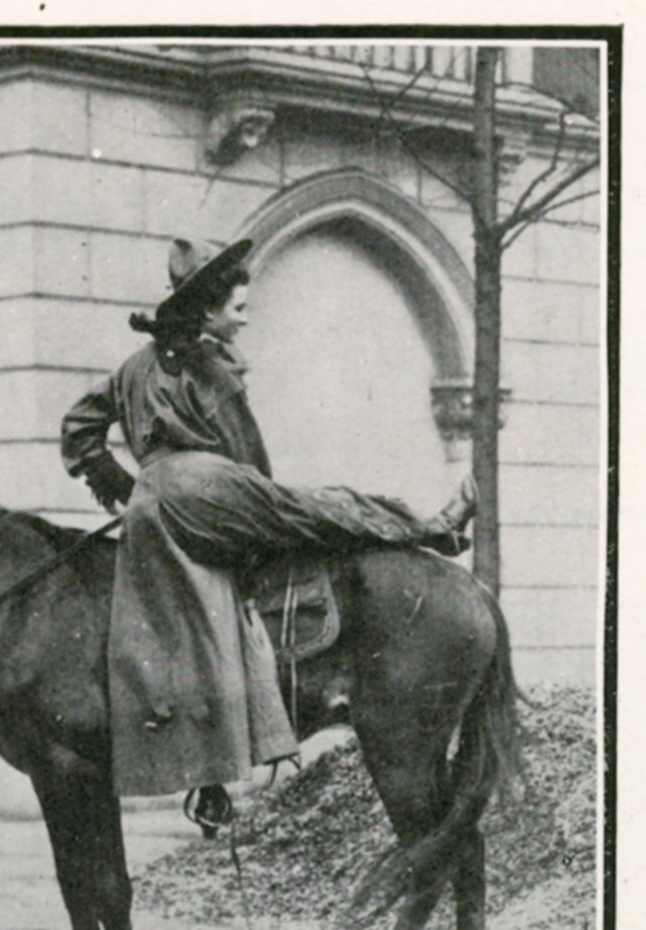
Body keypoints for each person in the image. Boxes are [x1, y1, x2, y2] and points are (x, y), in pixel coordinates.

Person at [61, 237, 477, 831]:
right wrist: (263, 506)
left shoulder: (133, 367)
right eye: (238, 308)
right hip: (209, 493)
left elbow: (78, 429)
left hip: (153, 509)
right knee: (328, 506)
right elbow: (250, 460)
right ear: (206, 313)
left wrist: (128, 491)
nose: (246, 316)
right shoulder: (211, 367)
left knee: (196, 618)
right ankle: (436, 527)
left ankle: (210, 780)